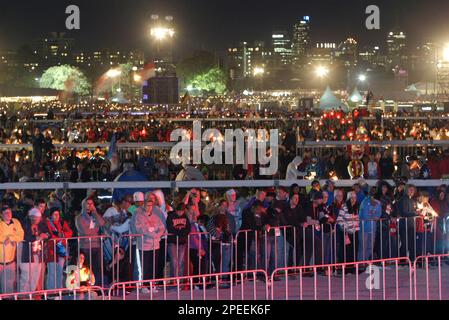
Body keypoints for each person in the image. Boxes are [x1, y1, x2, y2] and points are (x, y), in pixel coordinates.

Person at [130, 192, 165, 293]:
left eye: (151, 206)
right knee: (145, 266)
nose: (149, 207)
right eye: (147, 205)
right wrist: (154, 234)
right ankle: (144, 285)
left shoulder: (155, 215)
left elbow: (161, 227)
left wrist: (157, 234)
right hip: (144, 245)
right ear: (144, 205)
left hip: (155, 245)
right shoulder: (138, 214)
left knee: (153, 266)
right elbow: (140, 229)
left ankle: (152, 285)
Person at [75, 197, 106, 287]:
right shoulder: (79, 218)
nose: (90, 205)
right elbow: (85, 231)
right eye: (88, 204)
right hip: (85, 246)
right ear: (84, 205)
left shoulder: (94, 215)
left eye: (92, 204)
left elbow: (102, 223)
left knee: (98, 268)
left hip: (96, 245)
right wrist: (95, 228)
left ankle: (98, 287)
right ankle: (87, 287)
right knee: (87, 268)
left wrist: (95, 212)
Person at [19, 208, 50, 293]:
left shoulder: (40, 224)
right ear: (31, 217)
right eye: (36, 218)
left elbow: (48, 233)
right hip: (26, 254)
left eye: (39, 218)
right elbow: (23, 237)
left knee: (35, 276)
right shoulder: (24, 224)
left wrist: (46, 235)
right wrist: (36, 238)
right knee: (26, 276)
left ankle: (31, 294)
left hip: (38, 254)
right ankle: (23, 295)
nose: (37, 220)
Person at [45, 208, 73, 290]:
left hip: (61, 249)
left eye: (58, 214)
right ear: (51, 215)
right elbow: (49, 235)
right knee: (51, 272)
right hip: (51, 250)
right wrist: (59, 236)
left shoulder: (62, 223)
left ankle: (59, 290)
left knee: (60, 271)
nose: (57, 216)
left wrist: (63, 235)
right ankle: (51, 291)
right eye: (55, 214)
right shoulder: (48, 223)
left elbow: (70, 233)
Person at [0, 205, 24, 294]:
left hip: (10, 261)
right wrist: (4, 239)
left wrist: (10, 238)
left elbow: (21, 235)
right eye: (5, 213)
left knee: (9, 286)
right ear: (1, 215)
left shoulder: (16, 222)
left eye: (9, 212)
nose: (8, 214)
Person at [336, 191, 360, 272]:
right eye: (352, 198)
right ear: (348, 198)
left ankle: (353, 269)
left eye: (355, 198)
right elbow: (339, 220)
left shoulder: (356, 207)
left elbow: (357, 219)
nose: (353, 199)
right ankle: (346, 270)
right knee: (347, 252)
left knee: (354, 251)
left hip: (355, 232)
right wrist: (345, 227)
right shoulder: (344, 207)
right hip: (347, 233)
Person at [166, 203, 190, 278]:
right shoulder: (170, 216)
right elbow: (170, 228)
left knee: (180, 262)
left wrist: (181, 233)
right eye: (179, 211)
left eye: (182, 211)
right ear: (176, 210)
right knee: (174, 261)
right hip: (172, 241)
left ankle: (180, 280)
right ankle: (174, 281)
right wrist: (180, 232)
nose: (180, 213)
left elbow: (188, 228)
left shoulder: (185, 216)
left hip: (182, 242)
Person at [358, 188, 382, 262]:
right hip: (364, 228)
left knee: (370, 246)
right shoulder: (365, 202)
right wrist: (373, 217)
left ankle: (367, 260)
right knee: (363, 246)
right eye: (375, 201)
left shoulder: (378, 203)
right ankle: (361, 262)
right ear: (371, 197)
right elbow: (365, 215)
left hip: (373, 228)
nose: (376, 203)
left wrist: (376, 217)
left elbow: (378, 213)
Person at [397, 184, 418, 261]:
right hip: (404, 225)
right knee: (404, 243)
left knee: (410, 243)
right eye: (410, 189)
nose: (412, 191)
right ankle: (403, 261)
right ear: (406, 190)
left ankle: (411, 260)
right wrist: (415, 213)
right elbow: (403, 213)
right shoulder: (403, 200)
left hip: (410, 225)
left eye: (413, 190)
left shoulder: (411, 200)